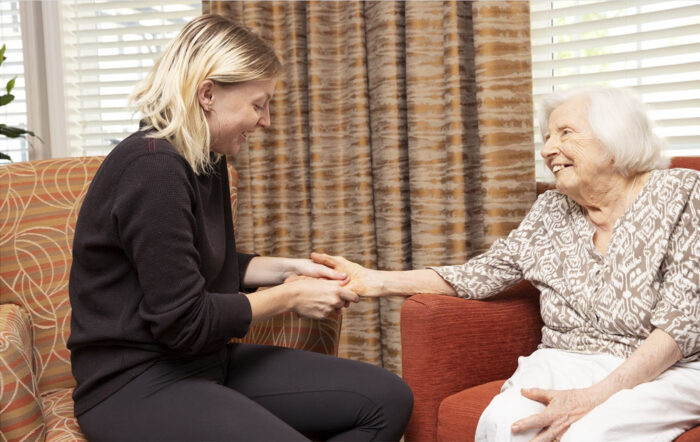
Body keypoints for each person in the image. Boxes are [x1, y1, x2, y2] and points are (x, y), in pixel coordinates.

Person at [67, 14, 412, 441]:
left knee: (388, 399)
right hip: (133, 384)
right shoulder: (152, 168)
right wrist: (290, 296)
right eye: (258, 104)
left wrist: (291, 269)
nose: (265, 121)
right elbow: (184, 321)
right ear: (207, 94)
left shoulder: (204, 160)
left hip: (204, 363)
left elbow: (201, 265)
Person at [311, 87, 700, 441]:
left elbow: (680, 324)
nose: (548, 149)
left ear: (616, 140)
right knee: (505, 424)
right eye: (546, 137)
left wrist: (595, 397)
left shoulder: (682, 193)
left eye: (565, 133)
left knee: (593, 432)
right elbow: (481, 274)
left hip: (669, 369)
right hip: (567, 358)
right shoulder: (551, 208)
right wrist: (371, 281)